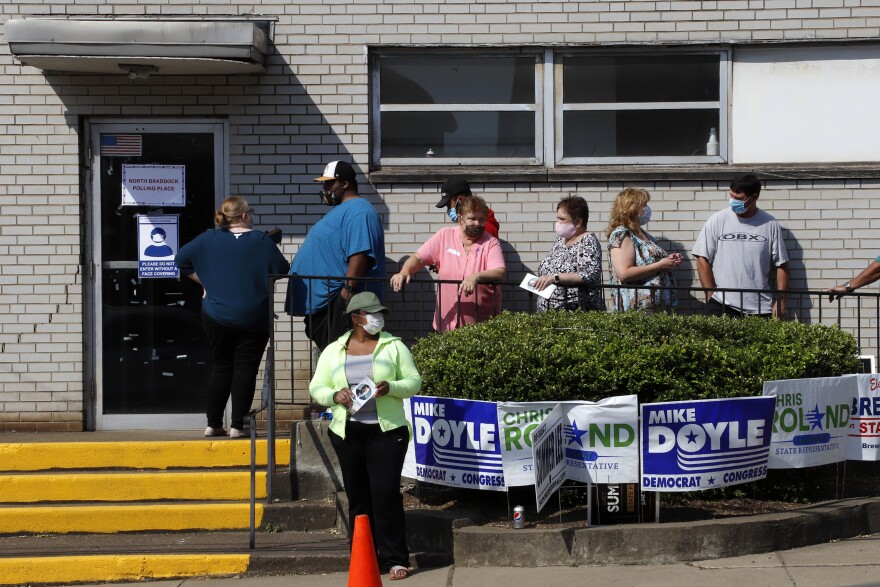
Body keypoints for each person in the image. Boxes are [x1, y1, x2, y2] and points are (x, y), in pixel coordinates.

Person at [309, 292, 421, 581]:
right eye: (372, 314)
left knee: (385, 493)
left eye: (379, 313)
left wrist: (391, 387)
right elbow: (317, 387)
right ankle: (364, 554)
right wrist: (335, 395)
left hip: (387, 431)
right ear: (355, 317)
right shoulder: (334, 350)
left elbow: (414, 382)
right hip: (348, 432)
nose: (378, 319)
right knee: (358, 497)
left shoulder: (393, 346)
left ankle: (396, 558)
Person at [175, 196, 289, 438]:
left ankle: (213, 423)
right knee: (245, 369)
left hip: (216, 314)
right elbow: (282, 268)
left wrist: (205, 281)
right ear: (245, 216)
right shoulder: (260, 240)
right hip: (253, 315)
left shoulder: (207, 239)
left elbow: (181, 261)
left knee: (221, 367)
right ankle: (238, 424)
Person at [284, 160, 385, 351]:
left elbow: (361, 253)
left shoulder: (360, 211)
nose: (325, 188)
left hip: (341, 302)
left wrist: (347, 291)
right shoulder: (344, 210)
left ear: (345, 183)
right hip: (328, 304)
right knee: (334, 359)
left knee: (343, 359)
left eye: (329, 183)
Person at [390, 196, 506, 331]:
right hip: (446, 323)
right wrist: (405, 271)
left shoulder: (491, 242)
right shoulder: (444, 235)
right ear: (460, 218)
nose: (477, 223)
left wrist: (476, 277)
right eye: (472, 219)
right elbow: (419, 258)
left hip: (480, 327)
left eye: (481, 219)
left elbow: (500, 272)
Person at [693, 174, 789, 318]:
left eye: (738, 199)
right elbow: (702, 258)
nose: (732, 201)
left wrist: (781, 300)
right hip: (722, 304)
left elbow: (782, 264)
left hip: (760, 308)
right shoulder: (718, 220)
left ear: (754, 197)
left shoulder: (769, 224)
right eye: (731, 196)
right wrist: (710, 294)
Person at [606, 188, 682, 312]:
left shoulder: (642, 234)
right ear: (632, 207)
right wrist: (660, 265)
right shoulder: (622, 234)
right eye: (644, 205)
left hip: (657, 307)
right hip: (637, 310)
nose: (647, 208)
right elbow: (624, 273)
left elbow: (648, 261)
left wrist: (668, 260)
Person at [530, 195, 605, 312]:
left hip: (574, 314)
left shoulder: (588, 240)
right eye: (557, 218)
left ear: (579, 221)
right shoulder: (560, 240)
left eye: (563, 219)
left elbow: (589, 274)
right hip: (549, 313)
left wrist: (554, 278)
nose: (558, 223)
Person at [435, 176, 500, 238]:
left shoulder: (483, 227)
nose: (449, 210)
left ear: (461, 200)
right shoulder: (473, 223)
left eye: (449, 205)